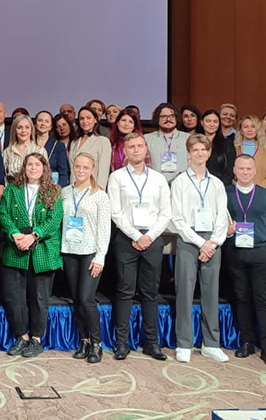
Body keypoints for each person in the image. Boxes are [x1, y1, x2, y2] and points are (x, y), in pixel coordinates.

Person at [106, 133, 171, 361]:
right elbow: (115, 212)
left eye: (139, 146)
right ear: (125, 151)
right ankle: (122, 343)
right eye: (131, 146)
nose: (136, 150)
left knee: (150, 292)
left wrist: (148, 236)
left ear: (146, 149)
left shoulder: (158, 179)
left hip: (152, 239)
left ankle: (152, 343)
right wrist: (135, 235)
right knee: (124, 291)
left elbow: (166, 213)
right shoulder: (117, 177)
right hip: (126, 239)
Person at [170, 134, 230, 363]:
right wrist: (200, 243)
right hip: (189, 239)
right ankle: (184, 343)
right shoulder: (180, 182)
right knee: (184, 292)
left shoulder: (216, 183)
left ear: (209, 152)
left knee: (211, 293)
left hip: (212, 241)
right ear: (189, 152)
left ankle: (211, 343)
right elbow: (177, 218)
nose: (200, 153)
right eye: (195, 149)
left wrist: (213, 242)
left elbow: (222, 216)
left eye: (203, 149)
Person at [0, 153, 64, 359]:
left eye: (37, 164)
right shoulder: (12, 189)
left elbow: (55, 219)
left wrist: (34, 235)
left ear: (44, 168)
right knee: (14, 296)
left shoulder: (53, 191)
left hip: (42, 249)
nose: (33, 168)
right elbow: (3, 214)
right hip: (16, 246)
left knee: (39, 298)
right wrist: (14, 233)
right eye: (29, 164)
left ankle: (36, 339)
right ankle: (22, 336)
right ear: (24, 167)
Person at [225, 155, 266, 367]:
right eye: (241, 168)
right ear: (234, 170)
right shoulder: (225, 193)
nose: (245, 172)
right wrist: (228, 232)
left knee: (262, 300)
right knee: (242, 298)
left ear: (255, 171)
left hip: (260, 251)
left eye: (249, 168)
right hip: (235, 251)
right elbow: (220, 222)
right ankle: (246, 342)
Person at [61, 153, 111, 364]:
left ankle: (97, 343)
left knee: (86, 299)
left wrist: (100, 256)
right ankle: (84, 341)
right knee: (76, 299)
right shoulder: (64, 192)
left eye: (85, 167)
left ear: (92, 170)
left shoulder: (100, 196)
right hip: (69, 251)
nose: (81, 171)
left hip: (90, 252)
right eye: (78, 167)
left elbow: (104, 228)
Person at [145, 102, 190, 183]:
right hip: (155, 184)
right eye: (164, 116)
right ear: (157, 119)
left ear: (176, 118)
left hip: (182, 184)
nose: (168, 119)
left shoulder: (189, 138)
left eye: (172, 116)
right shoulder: (146, 139)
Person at [69, 107, 112, 189]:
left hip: (92, 189)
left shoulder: (103, 141)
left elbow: (103, 171)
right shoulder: (74, 143)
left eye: (88, 118)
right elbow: (72, 170)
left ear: (95, 120)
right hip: (75, 188)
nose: (85, 121)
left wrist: (99, 191)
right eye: (82, 118)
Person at [233, 115, 266, 189]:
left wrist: (257, 191)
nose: (249, 130)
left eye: (253, 126)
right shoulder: (233, 149)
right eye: (246, 127)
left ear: (258, 130)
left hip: (261, 191)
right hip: (237, 191)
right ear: (240, 131)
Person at [35, 111, 69, 187]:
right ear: (35, 124)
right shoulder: (29, 144)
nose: (43, 124)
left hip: (52, 187)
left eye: (47, 121)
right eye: (40, 120)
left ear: (51, 126)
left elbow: (63, 173)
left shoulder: (58, 146)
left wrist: (58, 190)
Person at [201, 109, 236, 184]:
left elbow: (229, 173)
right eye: (208, 121)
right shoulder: (195, 143)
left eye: (215, 122)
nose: (212, 124)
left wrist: (218, 186)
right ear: (202, 122)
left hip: (220, 186)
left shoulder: (227, 144)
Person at [3, 114, 43, 178]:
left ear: (31, 130)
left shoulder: (40, 150)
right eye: (19, 128)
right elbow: (3, 176)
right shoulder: (7, 152)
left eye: (27, 127)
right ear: (15, 130)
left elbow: (46, 175)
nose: (23, 131)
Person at [110, 108, 145, 172]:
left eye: (130, 122)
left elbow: (147, 166)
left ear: (134, 126)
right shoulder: (110, 143)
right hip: (114, 177)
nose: (126, 124)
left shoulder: (141, 143)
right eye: (123, 120)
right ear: (117, 123)